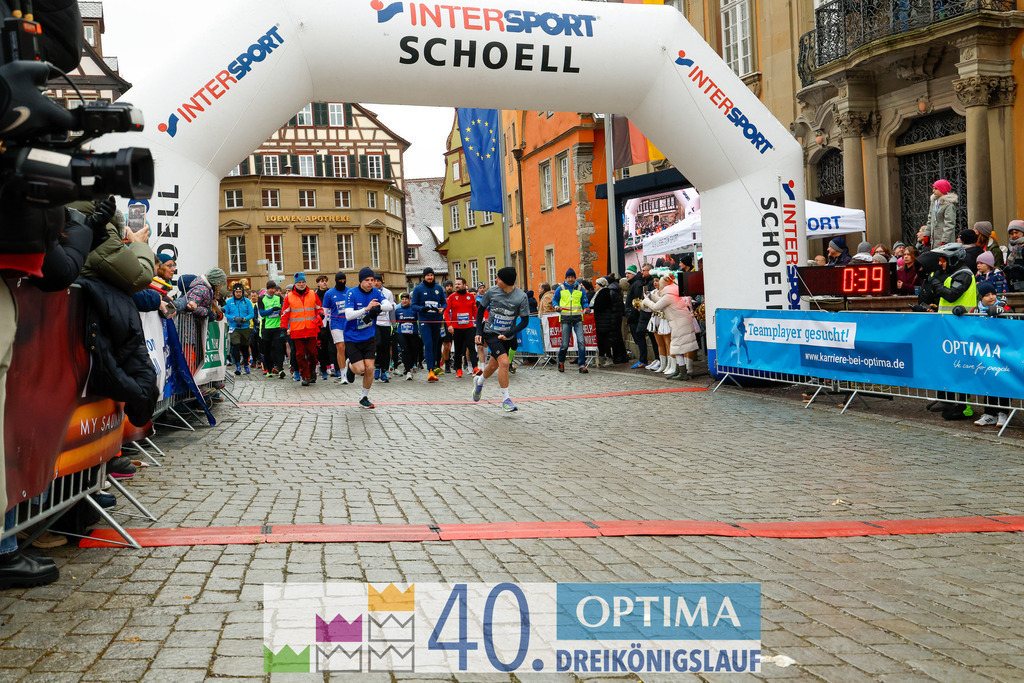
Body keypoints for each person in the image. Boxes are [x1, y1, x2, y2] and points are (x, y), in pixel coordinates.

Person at [473, 267, 531, 412]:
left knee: (493, 366)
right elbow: (480, 310)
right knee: (504, 363)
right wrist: (478, 331)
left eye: (498, 278)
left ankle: (479, 382)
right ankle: (506, 400)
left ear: (505, 281)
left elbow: (525, 321)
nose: (495, 280)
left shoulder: (521, 296)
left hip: (507, 335)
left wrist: (510, 333)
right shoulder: (492, 292)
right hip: (491, 332)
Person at [345, 267, 395, 407]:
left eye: (372, 280)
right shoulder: (351, 293)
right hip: (352, 337)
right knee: (360, 369)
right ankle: (350, 366)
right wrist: (366, 309)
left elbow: (389, 306)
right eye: (367, 280)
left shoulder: (377, 292)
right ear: (361, 281)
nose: (370, 283)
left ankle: (364, 397)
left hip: (368, 336)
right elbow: (348, 316)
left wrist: (378, 307)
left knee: (370, 368)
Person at [971, 281, 1014, 428]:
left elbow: (1014, 319)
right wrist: (959, 312)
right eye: (986, 295)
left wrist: (1002, 313)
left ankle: (1003, 412)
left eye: (993, 294)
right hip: (984, 352)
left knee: (1003, 380)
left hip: (1003, 351)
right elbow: (967, 323)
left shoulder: (1004, 307)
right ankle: (989, 413)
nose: (991, 297)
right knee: (987, 381)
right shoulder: (976, 310)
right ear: (980, 297)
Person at [644, 274, 699, 380]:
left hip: (679, 324)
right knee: (678, 347)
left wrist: (646, 300)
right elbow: (662, 301)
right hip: (682, 323)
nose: (658, 288)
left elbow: (656, 306)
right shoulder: (672, 293)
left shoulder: (668, 296)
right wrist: (651, 296)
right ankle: (679, 370)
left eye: (660, 286)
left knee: (676, 348)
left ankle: (682, 372)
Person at [280, 272, 323, 386]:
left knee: (313, 354)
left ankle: (312, 371)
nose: (301, 284)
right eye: (299, 282)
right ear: (295, 284)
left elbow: (319, 308)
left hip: (311, 329)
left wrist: (321, 315)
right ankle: (305, 376)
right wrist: (283, 328)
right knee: (300, 354)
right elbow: (284, 314)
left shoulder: (313, 294)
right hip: (297, 331)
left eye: (303, 282)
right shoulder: (289, 297)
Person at [552, 268, 591, 374]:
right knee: (565, 344)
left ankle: (582, 365)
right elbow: (554, 300)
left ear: (575, 278)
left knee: (581, 341)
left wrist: (587, 308)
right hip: (565, 318)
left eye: (572, 277)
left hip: (578, 318)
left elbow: (584, 302)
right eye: (568, 277)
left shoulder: (580, 289)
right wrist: (556, 306)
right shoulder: (560, 289)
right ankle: (561, 361)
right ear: (566, 278)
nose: (570, 279)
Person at [411, 267, 447, 382]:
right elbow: (413, 306)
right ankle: (430, 370)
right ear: (424, 277)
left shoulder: (438, 288)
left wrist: (442, 308)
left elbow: (444, 303)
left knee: (436, 344)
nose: (430, 277)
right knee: (428, 344)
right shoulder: (418, 289)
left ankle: (435, 366)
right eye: (428, 275)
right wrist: (423, 308)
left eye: (431, 275)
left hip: (436, 320)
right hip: (425, 320)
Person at [445, 277, 478, 378]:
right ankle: (458, 369)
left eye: (459, 284)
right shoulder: (451, 297)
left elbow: (475, 311)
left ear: (464, 285)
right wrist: (449, 325)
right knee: (458, 350)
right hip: (457, 328)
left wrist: (478, 322)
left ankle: (475, 367)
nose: (456, 286)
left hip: (469, 327)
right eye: (456, 284)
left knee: (472, 347)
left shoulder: (470, 297)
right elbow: (446, 312)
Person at [321, 271, 350, 383]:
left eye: (343, 280)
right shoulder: (329, 294)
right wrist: (323, 327)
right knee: (340, 347)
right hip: (336, 324)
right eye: (340, 281)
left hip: (349, 324)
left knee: (349, 348)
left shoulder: (350, 291)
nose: (342, 282)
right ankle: (343, 375)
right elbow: (325, 311)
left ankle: (348, 366)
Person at [224, 283, 254, 375]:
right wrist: (233, 318)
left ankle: (245, 364)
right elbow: (225, 313)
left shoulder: (247, 301)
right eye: (236, 292)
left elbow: (252, 314)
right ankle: (237, 366)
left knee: (245, 347)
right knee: (236, 346)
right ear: (233, 292)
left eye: (240, 292)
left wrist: (245, 318)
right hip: (234, 327)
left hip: (245, 327)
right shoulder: (229, 302)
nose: (238, 294)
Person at [259, 281, 285, 378]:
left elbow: (284, 310)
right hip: (267, 327)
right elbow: (262, 313)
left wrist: (279, 311)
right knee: (267, 349)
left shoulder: (279, 298)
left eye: (275, 289)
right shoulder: (262, 298)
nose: (273, 291)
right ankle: (269, 369)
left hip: (277, 327)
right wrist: (272, 309)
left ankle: (280, 369)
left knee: (279, 349)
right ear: (267, 289)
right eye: (271, 289)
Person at [921, 179, 958, 248]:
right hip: (935, 240)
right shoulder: (934, 203)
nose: (933, 191)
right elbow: (930, 220)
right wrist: (927, 234)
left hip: (945, 241)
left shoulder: (949, 205)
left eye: (936, 189)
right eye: (933, 188)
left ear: (942, 189)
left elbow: (949, 223)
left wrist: (945, 240)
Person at [374, 273, 397, 383]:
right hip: (375, 323)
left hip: (386, 324)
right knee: (377, 345)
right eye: (374, 281)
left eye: (378, 281)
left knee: (386, 347)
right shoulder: (371, 292)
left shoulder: (388, 293)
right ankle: (377, 367)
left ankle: (384, 370)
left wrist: (393, 324)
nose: (376, 283)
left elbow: (391, 309)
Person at [314, 275, 336, 380]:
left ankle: (331, 366)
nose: (324, 283)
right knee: (321, 346)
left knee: (331, 346)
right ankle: (322, 368)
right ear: (318, 283)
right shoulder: (315, 294)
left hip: (331, 322)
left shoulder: (331, 293)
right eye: (322, 281)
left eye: (326, 281)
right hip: (320, 323)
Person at [395, 292, 420, 380]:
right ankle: (408, 370)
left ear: (409, 300)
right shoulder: (398, 310)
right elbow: (395, 320)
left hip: (413, 333)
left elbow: (419, 319)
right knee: (404, 350)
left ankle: (411, 365)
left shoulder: (413, 309)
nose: (404, 301)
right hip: (402, 333)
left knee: (413, 350)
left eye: (406, 299)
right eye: (403, 299)